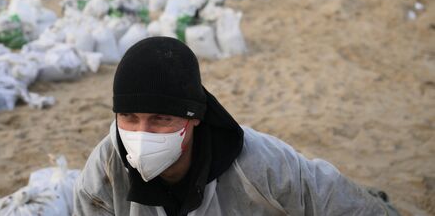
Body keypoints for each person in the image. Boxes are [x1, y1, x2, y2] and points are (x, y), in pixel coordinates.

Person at [73, 36, 400, 215]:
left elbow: (335, 199)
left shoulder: (260, 164)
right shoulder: (104, 172)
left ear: (194, 117)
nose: (141, 136)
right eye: (129, 118)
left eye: (160, 119)